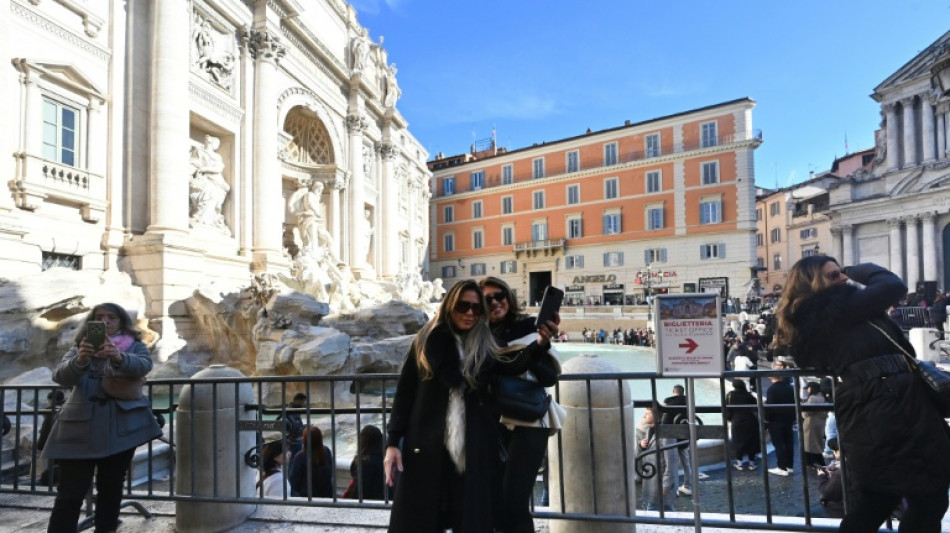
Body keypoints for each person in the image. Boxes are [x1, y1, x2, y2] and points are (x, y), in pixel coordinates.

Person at [773, 257, 950, 532]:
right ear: (812, 284)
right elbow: (892, 285)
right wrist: (854, 268)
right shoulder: (831, 310)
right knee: (900, 496)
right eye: (834, 275)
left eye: (841, 273)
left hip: (893, 402)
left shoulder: (842, 311)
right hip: (884, 406)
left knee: (903, 495)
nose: (843, 279)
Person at [384, 280, 534, 533]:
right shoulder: (425, 341)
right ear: (450, 306)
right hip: (427, 445)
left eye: (476, 308)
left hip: (474, 448)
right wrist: (392, 442)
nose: (469, 313)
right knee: (421, 519)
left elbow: (512, 365)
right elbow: (405, 392)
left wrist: (540, 344)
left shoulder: (485, 344)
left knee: (471, 519)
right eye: (463, 306)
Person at [43, 303, 162, 533]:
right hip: (79, 428)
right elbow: (60, 376)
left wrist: (119, 357)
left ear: (121, 322)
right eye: (99, 317)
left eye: (112, 317)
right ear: (91, 323)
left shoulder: (134, 346)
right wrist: (80, 360)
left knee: (111, 486)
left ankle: (105, 529)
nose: (106, 321)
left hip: (120, 427)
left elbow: (144, 366)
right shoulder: (80, 346)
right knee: (70, 492)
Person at [479, 277, 561, 533]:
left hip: (529, 421)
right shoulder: (477, 335)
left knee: (514, 500)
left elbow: (549, 377)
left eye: (499, 295)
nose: (495, 302)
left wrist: (532, 349)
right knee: (495, 501)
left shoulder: (530, 327)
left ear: (508, 298)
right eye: (487, 299)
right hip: (492, 424)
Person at [660, 384, 708, 498]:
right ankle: (688, 486)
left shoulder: (668, 403)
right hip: (685, 436)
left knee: (671, 464)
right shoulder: (690, 402)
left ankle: (673, 488)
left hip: (671, 437)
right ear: (683, 392)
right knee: (686, 463)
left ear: (673, 391)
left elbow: (665, 422)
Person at [636, 407, 677, 511]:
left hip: (659, 483)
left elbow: (671, 461)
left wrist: (666, 484)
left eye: (646, 413)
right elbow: (645, 452)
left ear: (655, 415)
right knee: (666, 509)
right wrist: (641, 445)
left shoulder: (666, 434)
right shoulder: (650, 430)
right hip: (652, 480)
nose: (643, 416)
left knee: (654, 509)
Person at [344, 425, 392, 501]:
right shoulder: (386, 458)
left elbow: (359, 491)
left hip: (371, 502)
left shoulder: (365, 462)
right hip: (386, 500)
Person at [764, 359, 795, 476]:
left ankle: (781, 467)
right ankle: (789, 466)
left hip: (776, 421)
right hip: (788, 419)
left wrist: (766, 418)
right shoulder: (789, 388)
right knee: (789, 442)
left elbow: (770, 407)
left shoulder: (772, 389)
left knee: (779, 444)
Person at [289, 425, 334, 498]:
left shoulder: (300, 457)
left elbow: (294, 481)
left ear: (305, 440)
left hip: (306, 497)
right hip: (326, 495)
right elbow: (330, 472)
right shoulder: (326, 451)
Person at [725, 379, 759, 471]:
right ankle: (751, 463)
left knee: (738, 441)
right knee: (751, 441)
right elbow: (755, 406)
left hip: (737, 420)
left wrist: (729, 418)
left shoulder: (730, 395)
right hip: (750, 420)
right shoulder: (749, 395)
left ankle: (739, 463)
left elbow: (727, 408)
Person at [37, 390, 66, 486]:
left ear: (51, 400)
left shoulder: (51, 411)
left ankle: (55, 484)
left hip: (54, 444)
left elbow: (45, 430)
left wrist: (40, 446)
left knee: (54, 466)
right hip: (68, 444)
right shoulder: (68, 407)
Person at [801, 381, 827, 469]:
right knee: (814, 442)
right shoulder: (821, 396)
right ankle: (810, 463)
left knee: (810, 444)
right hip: (819, 422)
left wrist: (803, 409)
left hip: (811, 423)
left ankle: (815, 463)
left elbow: (807, 412)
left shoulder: (812, 398)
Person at [817, 437, 845, 518]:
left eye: (835, 451)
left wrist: (821, 476)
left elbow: (826, 493)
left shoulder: (839, 474)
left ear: (839, 452)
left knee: (800, 516)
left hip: (839, 511)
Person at [258, 432, 291, 498]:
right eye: (285, 451)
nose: (289, 453)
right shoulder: (279, 481)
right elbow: (279, 507)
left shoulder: (262, 472)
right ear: (275, 454)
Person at [280, 392, 307, 456]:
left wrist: (305, 427)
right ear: (297, 400)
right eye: (302, 401)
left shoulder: (296, 410)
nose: (303, 404)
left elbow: (298, 425)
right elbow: (286, 426)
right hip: (293, 441)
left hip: (297, 440)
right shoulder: (289, 411)